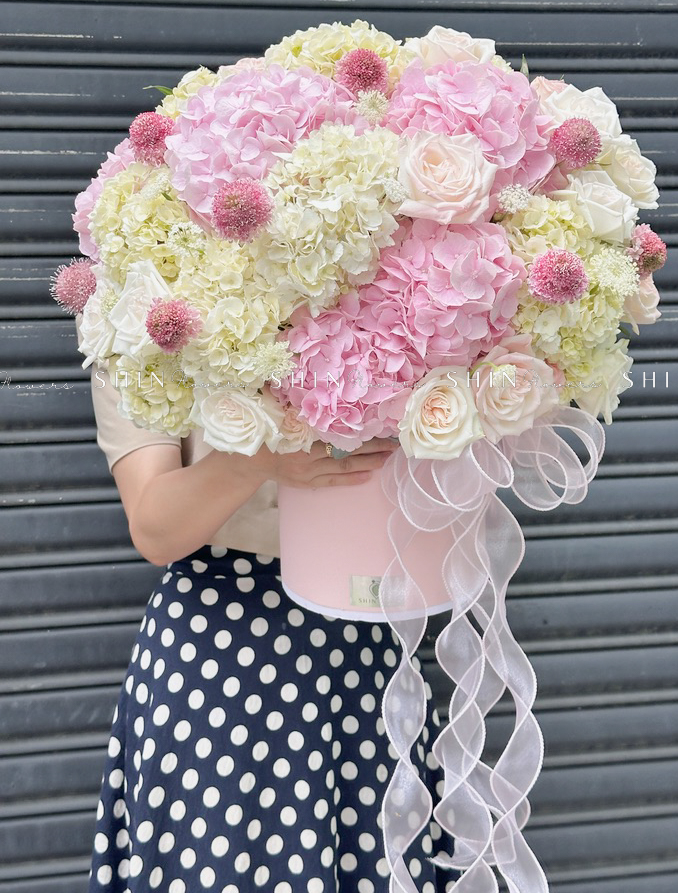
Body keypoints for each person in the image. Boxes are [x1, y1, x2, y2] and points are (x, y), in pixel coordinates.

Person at [80, 345, 456, 893]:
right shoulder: (140, 316)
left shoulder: (401, 305)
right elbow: (154, 527)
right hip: (218, 658)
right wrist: (256, 458)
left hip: (365, 642)